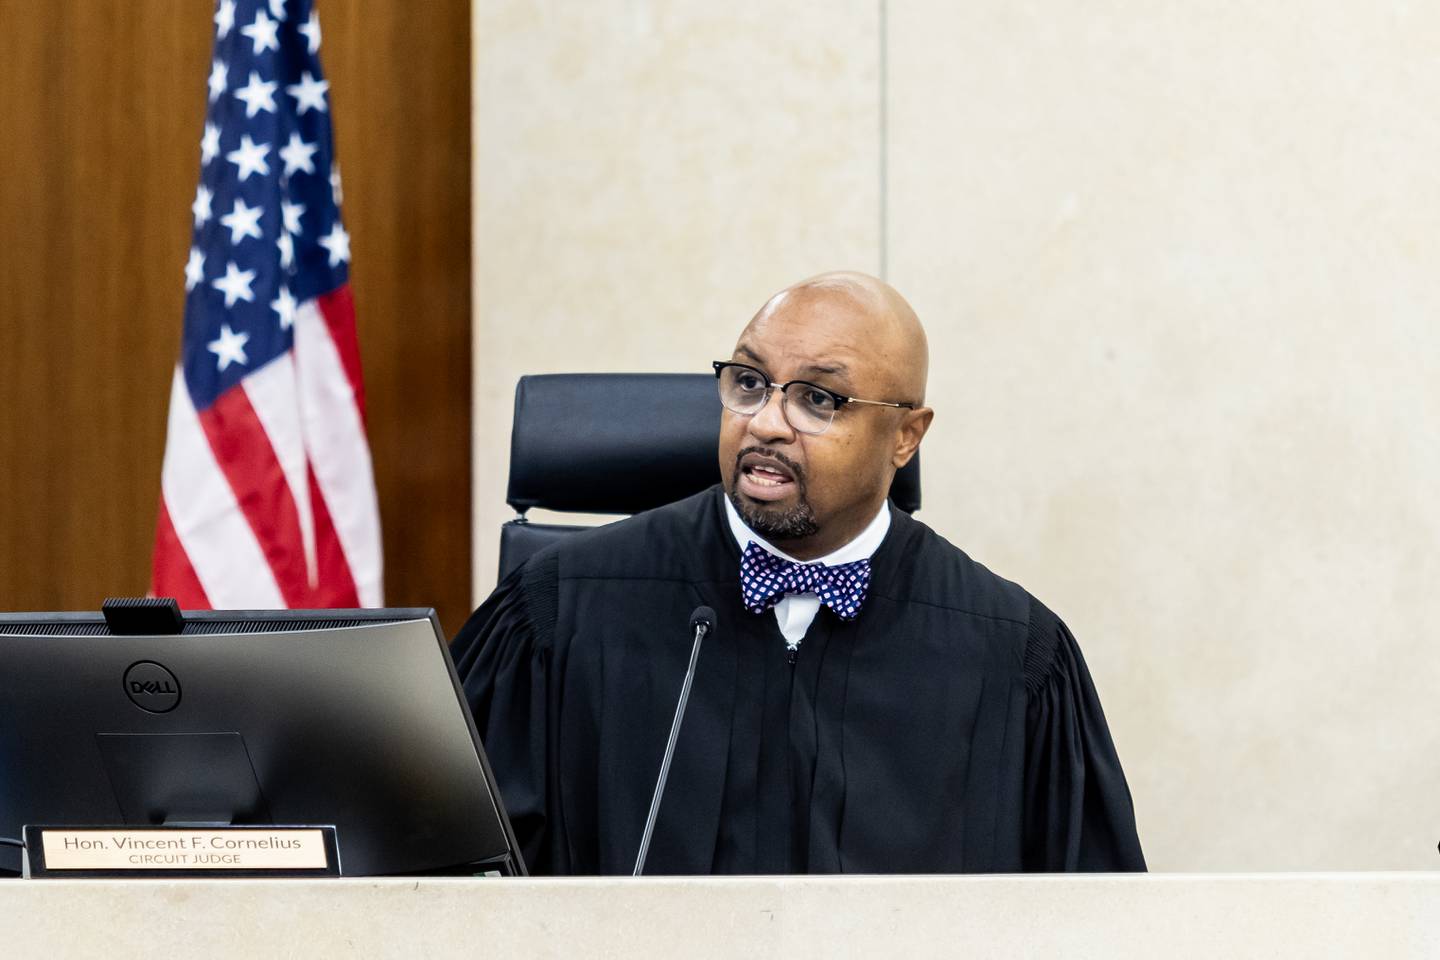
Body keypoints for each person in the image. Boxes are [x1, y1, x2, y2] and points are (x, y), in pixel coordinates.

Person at [452, 271, 1145, 875]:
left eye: (818, 399)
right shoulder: (561, 611)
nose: (767, 424)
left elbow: (1091, 921)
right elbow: (445, 872)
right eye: (749, 384)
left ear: (906, 435)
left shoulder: (1011, 657)